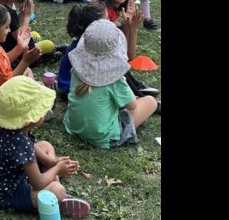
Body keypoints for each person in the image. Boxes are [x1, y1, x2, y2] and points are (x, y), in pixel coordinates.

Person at [0, 76, 90, 218]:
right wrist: (57, 169)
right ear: (33, 118)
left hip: (6, 180)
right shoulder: (20, 143)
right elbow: (38, 183)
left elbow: (31, 147)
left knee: (45, 146)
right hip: (3, 194)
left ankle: (51, 180)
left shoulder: (14, 129)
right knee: (57, 190)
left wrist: (52, 162)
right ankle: (58, 199)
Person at [64, 20, 160, 148]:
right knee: (150, 101)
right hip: (104, 135)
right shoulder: (115, 80)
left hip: (74, 125)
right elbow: (133, 105)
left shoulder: (76, 70)